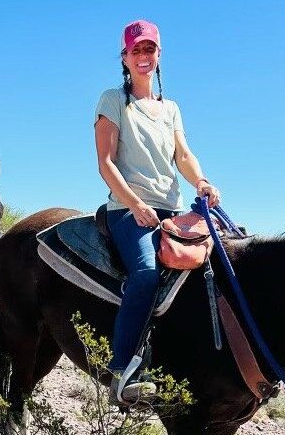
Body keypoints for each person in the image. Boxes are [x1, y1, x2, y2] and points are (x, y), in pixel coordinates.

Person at [94, 20, 221, 405]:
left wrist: (201, 181)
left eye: (150, 49)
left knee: (219, 265)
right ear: (125, 58)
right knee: (147, 274)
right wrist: (134, 203)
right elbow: (106, 162)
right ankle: (121, 372)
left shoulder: (171, 109)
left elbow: (182, 155)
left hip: (172, 210)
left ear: (159, 55)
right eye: (137, 50)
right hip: (128, 210)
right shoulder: (113, 100)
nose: (144, 57)